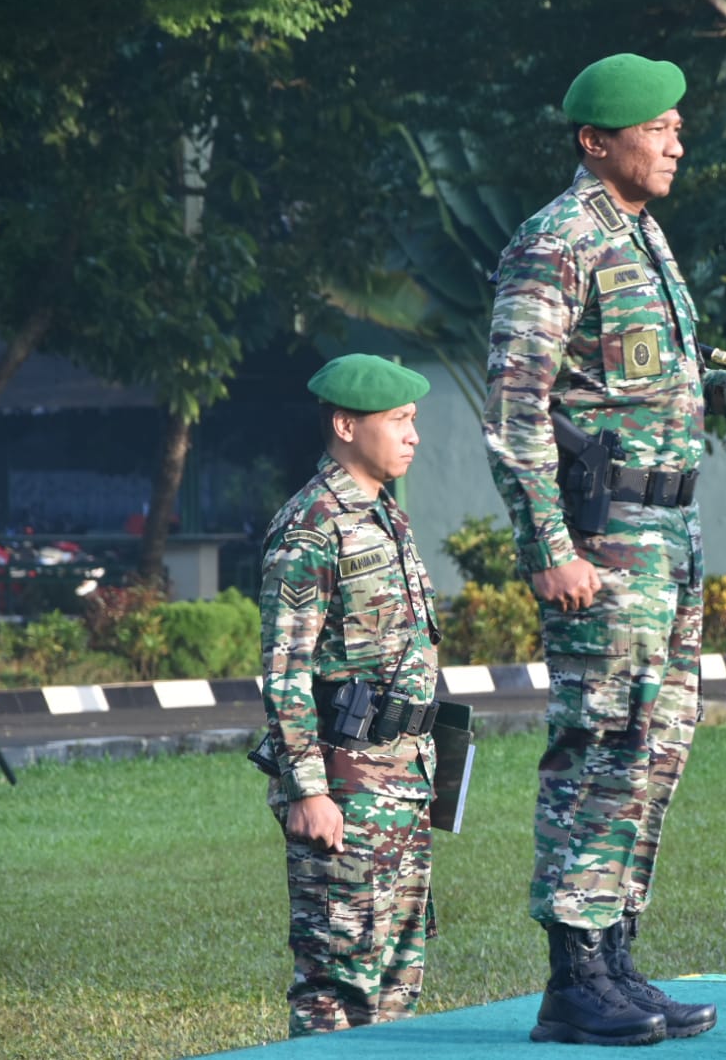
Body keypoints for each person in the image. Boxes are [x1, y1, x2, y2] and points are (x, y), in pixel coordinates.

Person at [483, 52, 726, 1047]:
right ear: (596, 140)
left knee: (653, 749)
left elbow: (642, 384)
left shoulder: (643, 238)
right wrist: (548, 546)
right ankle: (572, 978)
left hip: (670, 542)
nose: (676, 139)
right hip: (605, 542)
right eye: (658, 125)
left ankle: (614, 957)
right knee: (599, 743)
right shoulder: (558, 241)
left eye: (676, 124)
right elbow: (518, 408)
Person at [256, 353, 442, 1037]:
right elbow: (284, 671)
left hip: (400, 783)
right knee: (336, 985)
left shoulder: (385, 517)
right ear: (344, 424)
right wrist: (308, 792)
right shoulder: (311, 527)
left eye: (412, 421)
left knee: (397, 982)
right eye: (397, 420)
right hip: (345, 787)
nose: (412, 435)